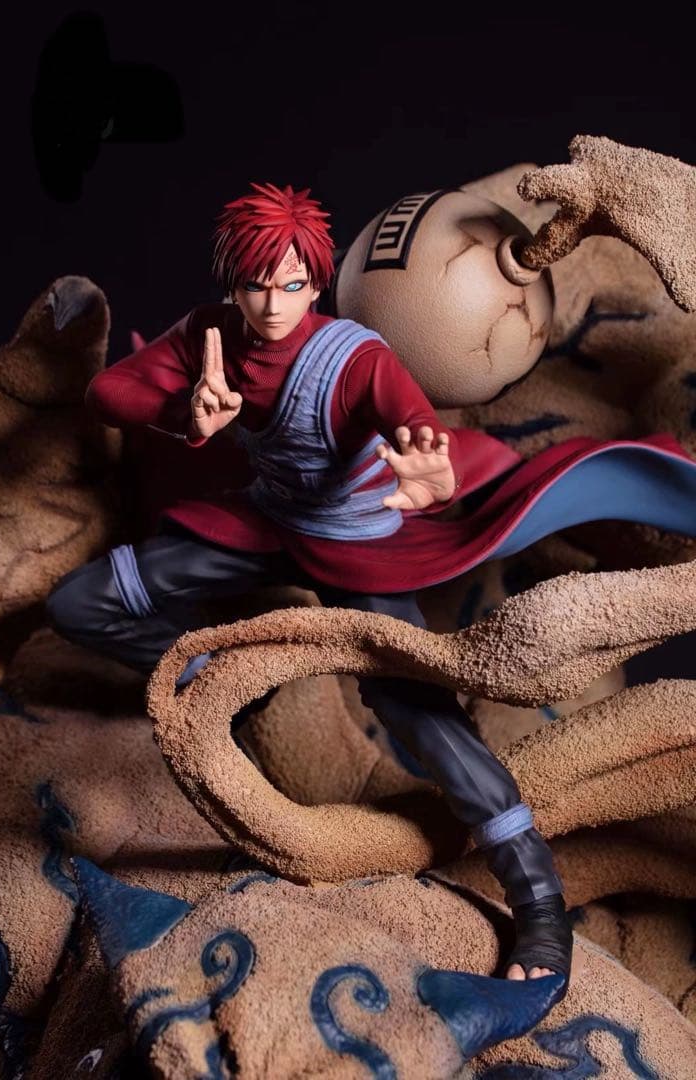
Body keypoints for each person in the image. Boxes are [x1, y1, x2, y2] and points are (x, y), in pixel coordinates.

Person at [45, 182, 581, 990]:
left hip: (361, 548)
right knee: (81, 602)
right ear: (234, 281)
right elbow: (106, 393)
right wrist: (185, 412)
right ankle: (218, 679)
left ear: (318, 284)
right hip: (268, 527)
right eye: (256, 284)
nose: (272, 304)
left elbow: (417, 430)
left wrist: (429, 475)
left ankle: (539, 902)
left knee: (421, 717)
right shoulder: (212, 335)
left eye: (291, 284)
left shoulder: (355, 359)